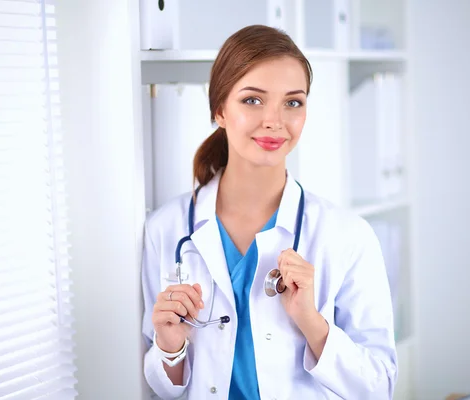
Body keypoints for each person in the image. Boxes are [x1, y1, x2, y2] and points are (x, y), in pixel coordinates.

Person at [141, 24, 398, 399]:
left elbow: (379, 386)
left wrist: (311, 322)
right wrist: (169, 346)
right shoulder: (166, 229)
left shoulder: (347, 235)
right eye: (252, 100)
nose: (274, 121)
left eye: (292, 102)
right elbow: (164, 387)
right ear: (220, 109)